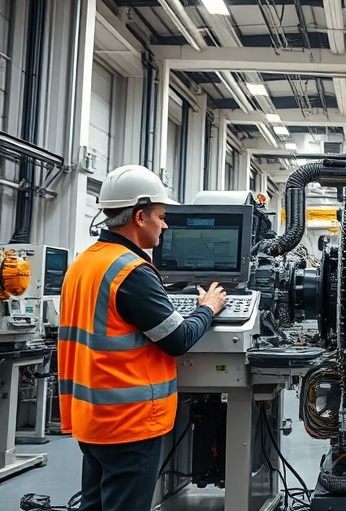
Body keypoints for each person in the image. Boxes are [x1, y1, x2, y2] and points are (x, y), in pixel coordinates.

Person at [57, 165, 228, 511]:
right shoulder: (131, 272)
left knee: (95, 505)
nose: (164, 225)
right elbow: (178, 338)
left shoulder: (84, 263)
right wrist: (208, 308)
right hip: (128, 424)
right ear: (139, 216)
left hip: (91, 418)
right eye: (161, 216)